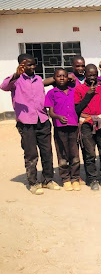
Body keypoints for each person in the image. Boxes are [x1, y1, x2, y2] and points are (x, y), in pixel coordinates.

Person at [1, 54, 58, 194]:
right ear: (21, 65)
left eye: (34, 64)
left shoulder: (38, 79)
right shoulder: (16, 81)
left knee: (47, 152)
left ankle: (47, 180)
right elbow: (3, 86)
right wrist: (16, 74)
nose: (32, 67)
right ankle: (33, 183)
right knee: (31, 154)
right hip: (26, 123)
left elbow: (49, 81)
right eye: (29, 65)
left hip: (42, 120)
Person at [74, 64, 101, 191]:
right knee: (89, 153)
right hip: (86, 123)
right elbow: (77, 109)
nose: (92, 77)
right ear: (85, 75)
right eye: (89, 75)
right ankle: (92, 179)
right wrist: (88, 95)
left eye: (94, 74)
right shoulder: (79, 89)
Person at [45, 68, 80, 192]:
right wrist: (58, 117)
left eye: (64, 76)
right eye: (59, 76)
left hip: (73, 126)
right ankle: (65, 179)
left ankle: (75, 178)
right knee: (62, 153)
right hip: (60, 127)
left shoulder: (73, 90)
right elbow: (51, 112)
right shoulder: (51, 93)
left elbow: (76, 82)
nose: (61, 78)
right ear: (54, 78)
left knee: (74, 153)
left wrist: (72, 77)